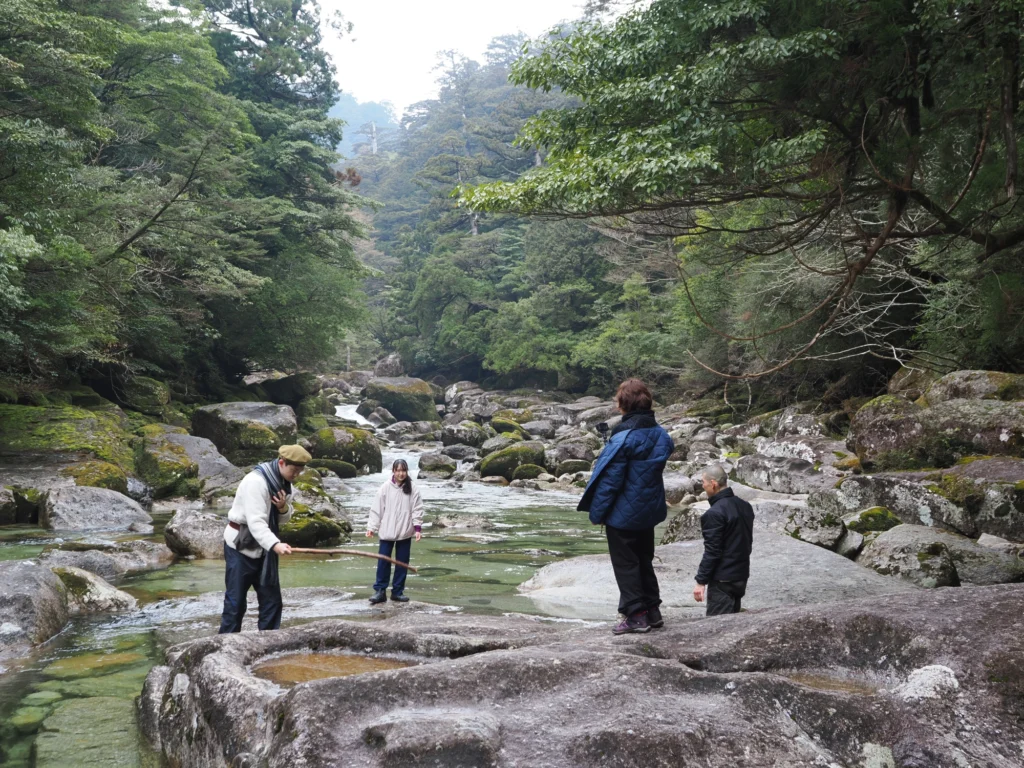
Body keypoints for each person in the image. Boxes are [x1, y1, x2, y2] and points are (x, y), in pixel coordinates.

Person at [578, 379, 675, 634]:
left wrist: (597, 513)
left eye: (617, 400)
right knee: (644, 560)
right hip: (649, 509)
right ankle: (653, 612)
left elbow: (610, 482)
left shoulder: (624, 438)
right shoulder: (661, 435)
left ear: (625, 404)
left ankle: (636, 616)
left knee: (626, 564)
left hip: (623, 514)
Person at [219, 444, 309, 633]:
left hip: (265, 549)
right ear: (282, 462)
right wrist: (275, 544)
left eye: (299, 471)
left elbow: (283, 519)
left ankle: (268, 641)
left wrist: (282, 508)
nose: (296, 475)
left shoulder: (284, 485)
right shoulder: (256, 482)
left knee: (272, 602)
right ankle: (225, 642)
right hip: (240, 546)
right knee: (236, 603)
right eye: (294, 470)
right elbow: (256, 522)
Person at [693, 464, 755, 616]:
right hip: (741, 576)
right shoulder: (745, 506)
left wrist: (701, 582)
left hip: (722, 580)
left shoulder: (714, 514)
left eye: (703, 482)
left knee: (717, 627)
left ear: (713, 484)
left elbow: (712, 551)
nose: (703, 486)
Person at [366, 459, 424, 604]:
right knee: (383, 562)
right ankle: (380, 591)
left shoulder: (412, 488)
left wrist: (417, 528)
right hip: (387, 531)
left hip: (405, 531)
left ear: (406, 471)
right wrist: (372, 527)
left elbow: (417, 509)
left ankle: (397, 592)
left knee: (402, 563)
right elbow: (377, 509)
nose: (400, 473)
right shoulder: (385, 488)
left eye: (403, 470)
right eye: (398, 470)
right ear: (393, 471)